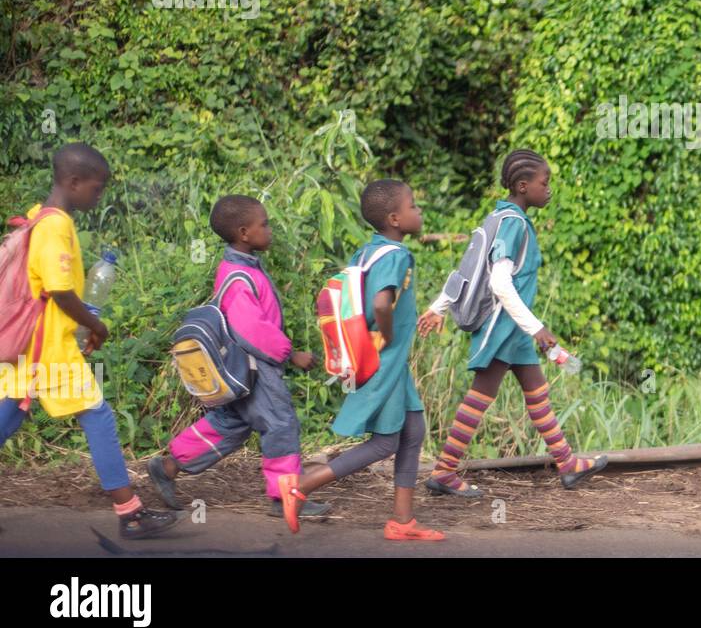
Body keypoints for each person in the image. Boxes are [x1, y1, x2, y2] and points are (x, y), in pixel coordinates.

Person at [0, 143, 177, 539]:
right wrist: (97, 328)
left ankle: (130, 512)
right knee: (97, 414)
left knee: (9, 415)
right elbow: (61, 291)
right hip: (48, 349)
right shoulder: (56, 226)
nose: (99, 197)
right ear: (73, 182)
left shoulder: (38, 218)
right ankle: (130, 514)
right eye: (97, 189)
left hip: (29, 347)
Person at [421, 148, 607, 498]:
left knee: (537, 393)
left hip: (514, 331)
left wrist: (439, 306)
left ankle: (567, 464)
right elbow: (499, 282)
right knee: (479, 397)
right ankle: (444, 471)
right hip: (503, 329)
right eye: (544, 183)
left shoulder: (498, 218)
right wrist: (536, 327)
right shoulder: (514, 225)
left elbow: (468, 267)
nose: (549, 189)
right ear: (523, 186)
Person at [276, 179, 443, 541]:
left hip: (386, 363)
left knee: (413, 432)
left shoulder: (366, 252)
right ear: (395, 219)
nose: (420, 211)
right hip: (384, 360)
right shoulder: (398, 256)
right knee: (386, 443)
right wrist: (388, 334)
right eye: (413, 206)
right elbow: (382, 303)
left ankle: (402, 520)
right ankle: (301, 485)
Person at [148, 195, 330, 521]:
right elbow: (251, 330)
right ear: (244, 233)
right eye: (265, 224)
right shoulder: (238, 277)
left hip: (244, 368)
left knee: (229, 424)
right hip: (256, 368)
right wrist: (291, 354)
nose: (270, 230)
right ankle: (285, 497)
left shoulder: (239, 269)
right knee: (280, 424)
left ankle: (167, 467)